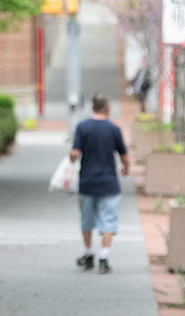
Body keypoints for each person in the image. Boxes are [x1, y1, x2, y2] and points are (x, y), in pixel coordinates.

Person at [70, 93, 129, 274]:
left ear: (92, 107)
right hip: (109, 183)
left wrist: (70, 160)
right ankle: (103, 258)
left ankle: (88, 254)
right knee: (109, 220)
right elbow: (123, 154)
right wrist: (126, 168)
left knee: (86, 220)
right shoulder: (114, 129)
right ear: (107, 107)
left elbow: (74, 154)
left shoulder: (82, 127)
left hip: (87, 182)